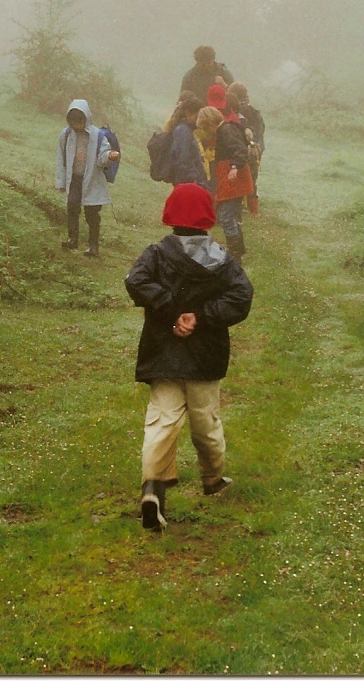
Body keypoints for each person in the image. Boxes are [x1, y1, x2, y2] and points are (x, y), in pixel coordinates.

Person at [124, 183, 254, 531]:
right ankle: (212, 479)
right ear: (208, 218)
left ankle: (152, 488)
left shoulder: (155, 253)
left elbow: (135, 281)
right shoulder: (221, 260)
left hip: (162, 351)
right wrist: (202, 316)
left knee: (162, 422)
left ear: (169, 215)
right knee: (205, 423)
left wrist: (170, 309)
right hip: (204, 356)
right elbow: (241, 297)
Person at [54, 99, 119, 258]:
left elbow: (101, 157)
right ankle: (72, 238)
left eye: (80, 121)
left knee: (92, 213)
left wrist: (110, 156)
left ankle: (93, 245)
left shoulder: (97, 135)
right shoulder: (66, 135)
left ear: (87, 118)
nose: (77, 125)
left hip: (92, 180)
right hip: (74, 179)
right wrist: (61, 182)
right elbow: (61, 159)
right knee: (72, 207)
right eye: (73, 122)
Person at [206, 83, 253, 258]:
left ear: (211, 122)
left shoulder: (226, 130)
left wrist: (234, 167)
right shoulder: (225, 129)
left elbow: (240, 151)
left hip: (234, 180)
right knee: (230, 215)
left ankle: (235, 253)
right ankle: (238, 249)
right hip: (231, 179)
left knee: (226, 216)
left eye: (206, 127)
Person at [227, 80, 264, 214]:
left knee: (241, 178)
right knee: (252, 178)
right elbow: (260, 130)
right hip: (257, 149)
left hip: (243, 149)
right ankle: (254, 210)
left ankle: (240, 206)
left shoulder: (236, 112)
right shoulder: (255, 112)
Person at [168, 96, 210, 191]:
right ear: (188, 113)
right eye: (197, 116)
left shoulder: (186, 130)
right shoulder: (183, 131)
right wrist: (191, 179)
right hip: (190, 184)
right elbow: (183, 158)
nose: (199, 121)